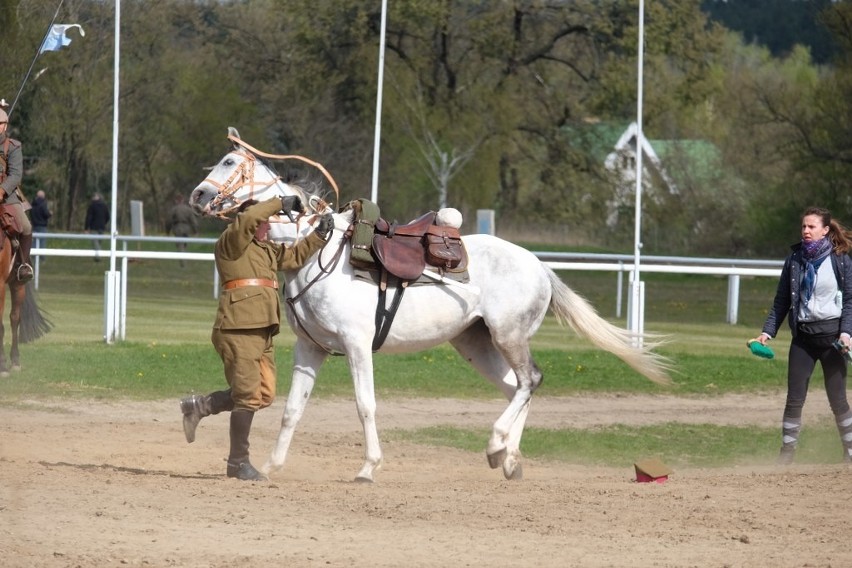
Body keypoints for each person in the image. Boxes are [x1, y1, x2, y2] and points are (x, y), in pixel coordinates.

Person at [179, 196, 333, 481]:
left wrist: (320, 235)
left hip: (262, 329)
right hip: (238, 328)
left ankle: (199, 407)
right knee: (248, 396)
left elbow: (296, 256)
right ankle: (238, 463)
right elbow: (248, 220)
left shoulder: (266, 249)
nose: (267, 226)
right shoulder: (232, 242)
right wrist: (279, 202)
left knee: (263, 395)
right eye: (264, 221)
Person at [750, 206, 852, 465]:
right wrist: (767, 333)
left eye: (811, 227)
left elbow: (850, 301)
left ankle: (849, 453)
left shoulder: (840, 259)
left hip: (833, 341)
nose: (805, 231)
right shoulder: (794, 260)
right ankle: (786, 455)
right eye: (803, 227)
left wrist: (847, 333)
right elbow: (781, 301)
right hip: (803, 340)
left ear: (825, 230)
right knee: (794, 399)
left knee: (838, 399)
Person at [0, 108, 34, 281]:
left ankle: (23, 265)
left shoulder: (13, 147)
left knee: (26, 227)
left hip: (7, 197)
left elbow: (15, 175)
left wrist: (2, 190)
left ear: (5, 126)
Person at [165, 194, 198, 267]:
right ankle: (184, 258)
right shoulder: (188, 209)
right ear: (183, 200)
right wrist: (195, 231)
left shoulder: (174, 209)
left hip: (178, 227)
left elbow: (168, 221)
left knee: (180, 245)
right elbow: (193, 221)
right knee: (185, 244)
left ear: (176, 201)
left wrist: (168, 231)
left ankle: (183, 263)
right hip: (186, 227)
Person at [84, 193, 110, 260]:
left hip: (94, 227)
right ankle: (98, 254)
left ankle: (98, 256)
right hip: (102, 226)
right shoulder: (105, 206)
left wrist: (86, 227)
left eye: (94, 196)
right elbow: (108, 217)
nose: (93, 197)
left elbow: (89, 217)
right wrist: (104, 223)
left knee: (95, 241)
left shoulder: (92, 206)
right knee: (99, 242)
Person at [30, 189, 52, 254]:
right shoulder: (43, 204)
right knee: (42, 242)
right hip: (42, 226)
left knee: (34, 242)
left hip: (34, 225)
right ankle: (41, 257)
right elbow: (45, 214)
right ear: (43, 196)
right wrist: (50, 213)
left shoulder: (33, 204)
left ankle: (33, 255)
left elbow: (31, 213)